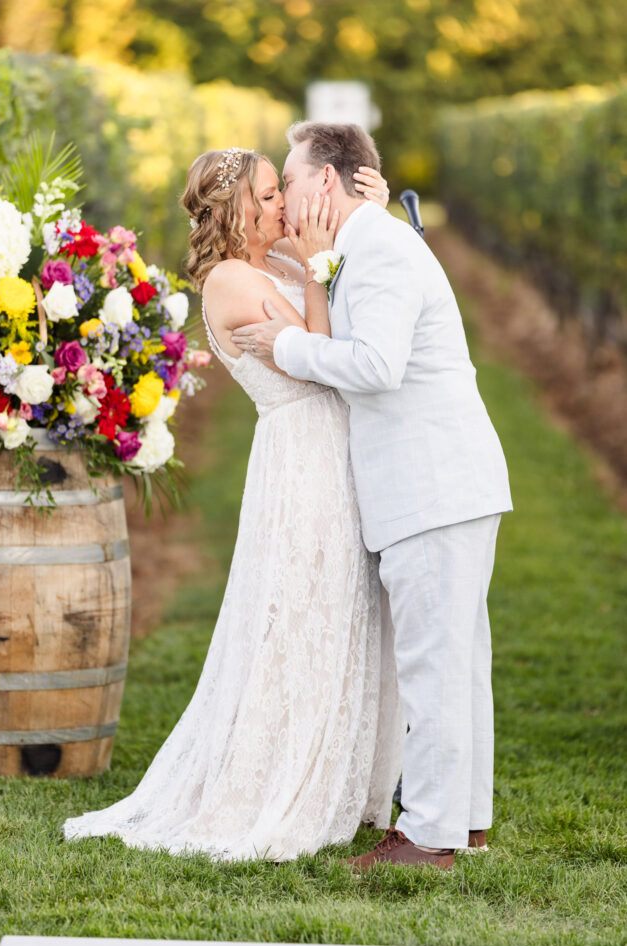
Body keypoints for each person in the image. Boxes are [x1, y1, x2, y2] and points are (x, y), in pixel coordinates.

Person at [62, 148, 405, 862]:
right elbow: (320, 348)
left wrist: (360, 220)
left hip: (336, 450)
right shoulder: (229, 281)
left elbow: (348, 298)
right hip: (302, 459)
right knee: (301, 612)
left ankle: (349, 775)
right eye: (272, 193)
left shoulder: (273, 263)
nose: (286, 203)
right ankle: (278, 780)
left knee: (344, 609)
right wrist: (317, 264)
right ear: (238, 208)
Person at [232, 122, 513, 871]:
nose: (285, 198)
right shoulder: (366, 247)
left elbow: (379, 365)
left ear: (324, 181)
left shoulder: (382, 251)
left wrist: (283, 347)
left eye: (289, 181)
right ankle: (464, 820)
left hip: (433, 483)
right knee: (454, 659)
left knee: (435, 664)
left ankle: (427, 836)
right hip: (440, 482)